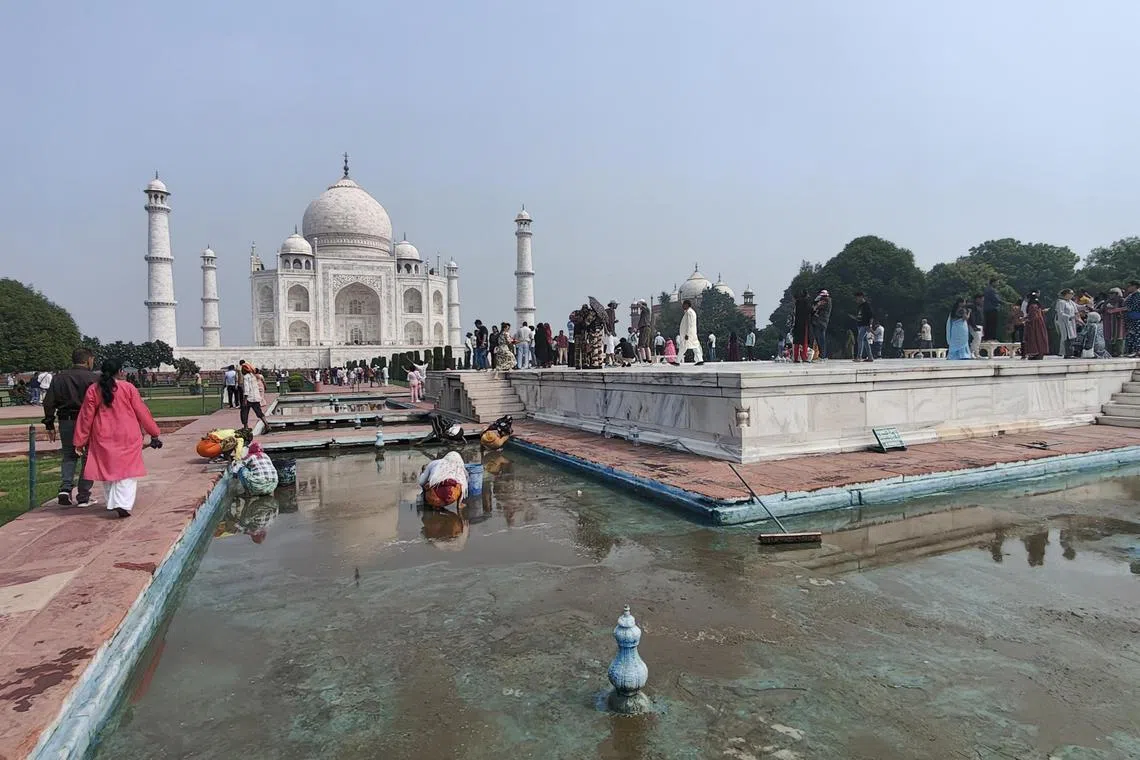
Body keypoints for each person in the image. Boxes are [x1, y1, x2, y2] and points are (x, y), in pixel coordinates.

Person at [72, 358, 163, 518]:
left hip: (103, 434)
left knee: (108, 468)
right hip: (128, 434)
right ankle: (122, 503)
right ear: (120, 371)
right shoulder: (128, 388)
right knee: (127, 471)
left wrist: (80, 441)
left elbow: (86, 417)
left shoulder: (94, 389)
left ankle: (113, 502)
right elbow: (142, 411)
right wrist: (153, 432)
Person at [42, 348, 99, 506]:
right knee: (88, 458)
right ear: (88, 360)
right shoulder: (93, 378)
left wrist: (49, 424)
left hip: (66, 420)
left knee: (69, 455)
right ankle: (83, 495)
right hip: (88, 421)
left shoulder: (59, 378)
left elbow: (49, 402)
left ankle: (65, 489)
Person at [1022, 293, 1050, 360]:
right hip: (1039, 324)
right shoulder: (1037, 305)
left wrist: (1026, 319)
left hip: (1034, 325)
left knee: (1034, 339)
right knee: (1040, 338)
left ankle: (1035, 353)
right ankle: (1039, 353)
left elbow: (1033, 316)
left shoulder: (1032, 306)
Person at [240, 363, 268, 428]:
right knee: (259, 412)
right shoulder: (253, 376)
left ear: (245, 370)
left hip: (249, 398)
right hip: (255, 397)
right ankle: (266, 425)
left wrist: (245, 399)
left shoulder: (246, 377)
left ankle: (245, 427)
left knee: (244, 412)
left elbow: (247, 388)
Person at [1053, 289, 1079, 358]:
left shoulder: (1071, 302)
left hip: (1071, 322)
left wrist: (1086, 306)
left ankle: (1070, 353)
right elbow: (1060, 313)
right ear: (1066, 294)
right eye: (1071, 293)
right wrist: (1070, 316)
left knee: (1072, 337)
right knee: (1066, 337)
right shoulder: (1061, 302)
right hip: (1064, 322)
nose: (1072, 295)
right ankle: (1068, 354)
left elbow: (1077, 307)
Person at [679, 300, 704, 364]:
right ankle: (700, 360)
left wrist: (687, 334)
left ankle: (677, 361)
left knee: (685, 346)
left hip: (689, 334)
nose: (682, 306)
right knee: (694, 346)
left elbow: (689, 324)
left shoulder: (689, 312)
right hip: (691, 333)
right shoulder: (690, 312)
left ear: (687, 305)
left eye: (684, 304)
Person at [852, 292, 874, 362]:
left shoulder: (866, 305)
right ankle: (870, 357)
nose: (856, 300)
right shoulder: (860, 306)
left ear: (861, 297)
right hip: (860, 324)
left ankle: (859, 357)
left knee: (859, 339)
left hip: (865, 325)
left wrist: (870, 325)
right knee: (865, 340)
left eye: (857, 298)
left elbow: (871, 316)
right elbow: (860, 316)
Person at [792, 289, 812, 363]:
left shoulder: (797, 302)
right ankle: (804, 357)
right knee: (804, 342)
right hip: (804, 324)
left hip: (797, 324)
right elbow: (810, 311)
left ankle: (796, 358)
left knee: (796, 342)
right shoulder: (806, 302)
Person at [1125, 281, 1140, 356]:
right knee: (1132, 335)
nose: (1128, 287)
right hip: (1131, 318)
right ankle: (1133, 350)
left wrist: (1120, 309)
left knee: (1137, 334)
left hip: (1137, 318)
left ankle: (1138, 351)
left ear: (1134, 286)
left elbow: (1132, 307)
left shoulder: (1138, 295)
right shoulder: (1131, 295)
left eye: (1129, 286)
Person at [969, 294, 985, 358]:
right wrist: (974, 326)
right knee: (976, 338)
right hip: (975, 325)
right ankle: (971, 352)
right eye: (982, 299)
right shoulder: (973, 306)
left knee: (979, 340)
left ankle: (976, 353)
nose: (983, 300)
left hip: (980, 325)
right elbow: (972, 317)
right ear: (977, 299)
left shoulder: (981, 307)